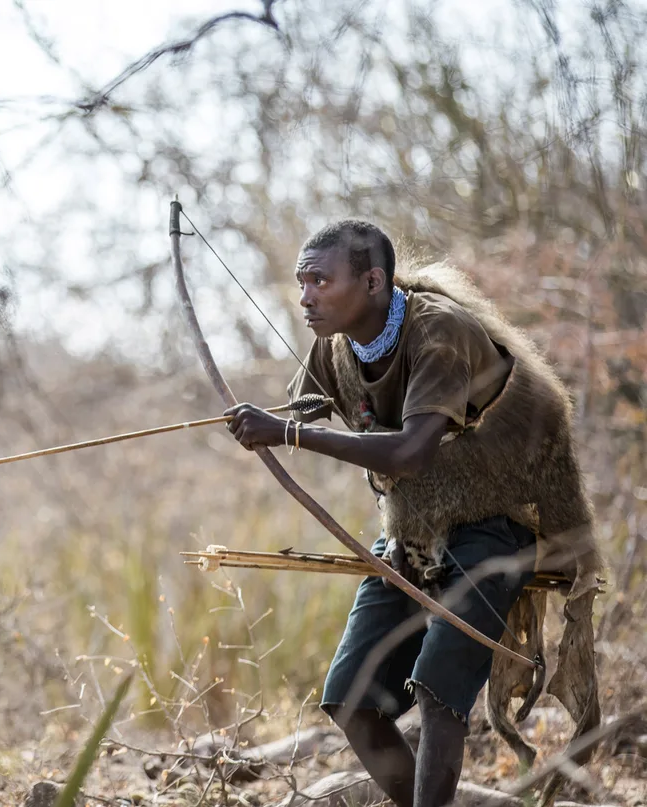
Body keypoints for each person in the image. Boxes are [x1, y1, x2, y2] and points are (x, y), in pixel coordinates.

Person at [222, 220, 603, 807]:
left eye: (321, 280)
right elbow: (305, 408)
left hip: (500, 525)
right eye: (302, 283)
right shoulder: (335, 344)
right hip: (411, 533)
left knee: (438, 691)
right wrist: (262, 423)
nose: (305, 297)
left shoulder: (440, 331)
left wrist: (289, 434)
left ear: (374, 281)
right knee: (350, 699)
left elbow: (409, 450)